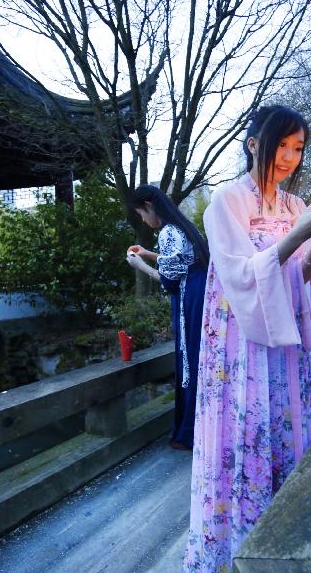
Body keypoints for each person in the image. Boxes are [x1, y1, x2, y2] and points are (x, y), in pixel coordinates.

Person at [183, 105, 311, 572]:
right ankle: (235, 548)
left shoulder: (296, 205)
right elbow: (238, 274)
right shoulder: (226, 202)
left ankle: (285, 534)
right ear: (255, 143)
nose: (290, 157)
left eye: (298, 148)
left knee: (287, 421)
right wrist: (299, 234)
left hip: (284, 340)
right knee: (245, 424)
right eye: (282, 145)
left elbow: (303, 273)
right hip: (239, 341)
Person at [126, 184, 208, 450]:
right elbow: (182, 260)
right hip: (200, 291)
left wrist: (141, 265)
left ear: (149, 206)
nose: (142, 219)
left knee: (188, 360)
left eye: (140, 213)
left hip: (188, 298)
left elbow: (169, 279)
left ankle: (189, 432)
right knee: (199, 357)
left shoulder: (168, 232)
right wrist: (147, 253)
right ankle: (202, 427)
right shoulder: (184, 226)